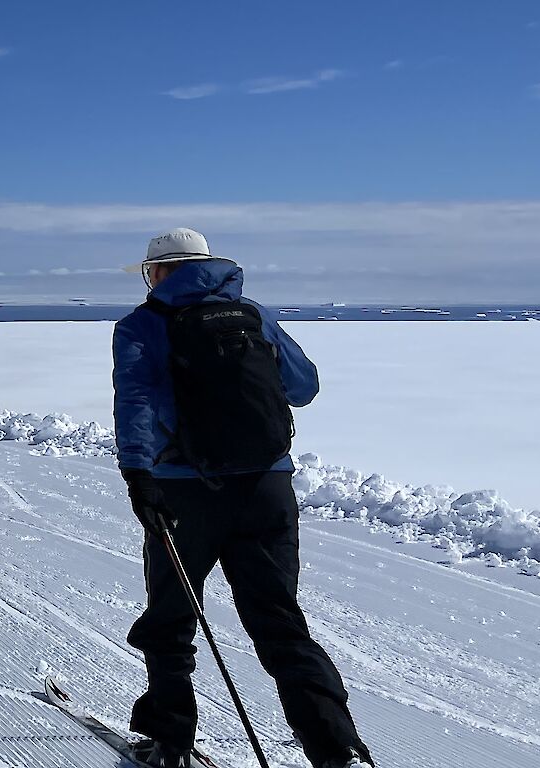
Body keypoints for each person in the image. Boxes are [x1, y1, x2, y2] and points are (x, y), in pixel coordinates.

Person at [113, 229, 373, 768]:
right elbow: (304, 387)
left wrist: (139, 475)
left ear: (160, 272)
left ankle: (171, 743)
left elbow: (135, 401)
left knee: (172, 619)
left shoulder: (141, 325)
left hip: (185, 491)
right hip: (268, 487)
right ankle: (338, 749)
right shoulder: (253, 315)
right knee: (279, 620)